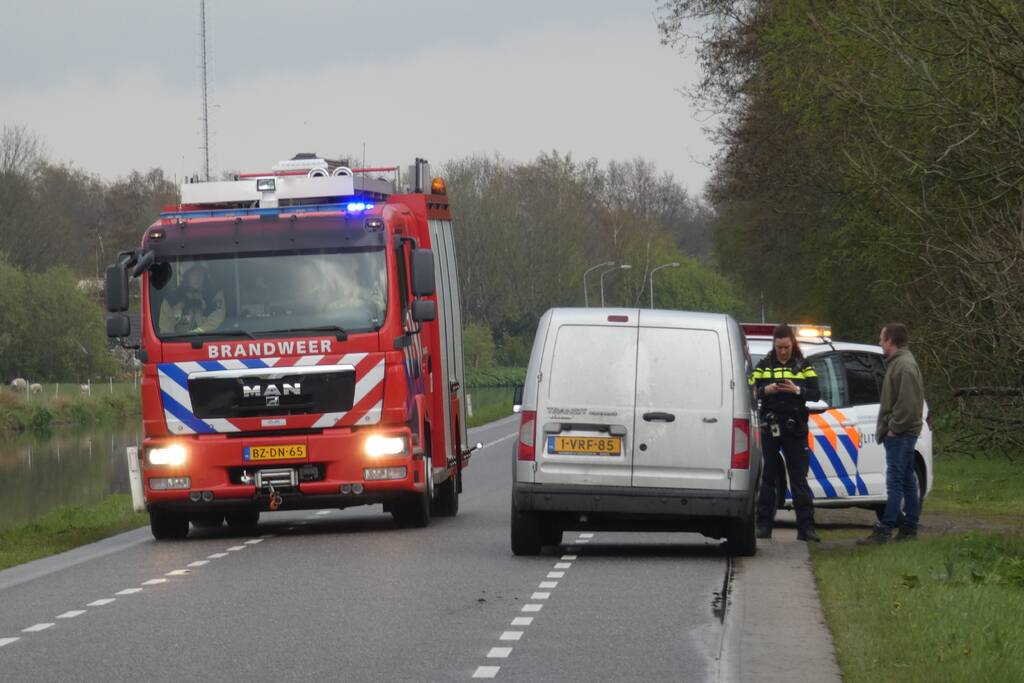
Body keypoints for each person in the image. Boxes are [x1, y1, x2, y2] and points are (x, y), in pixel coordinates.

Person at [750, 324, 821, 542]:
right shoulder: (763, 366)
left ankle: (806, 529)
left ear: (793, 344)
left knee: (799, 479)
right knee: (768, 478)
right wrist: (765, 390)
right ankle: (763, 527)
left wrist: (797, 390)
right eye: (779, 347)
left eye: (786, 347)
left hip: (795, 429)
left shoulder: (803, 366)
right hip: (770, 427)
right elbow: (749, 389)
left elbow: (817, 394)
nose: (783, 351)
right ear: (774, 345)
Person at [858, 323, 925, 544]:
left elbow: (908, 404)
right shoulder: (898, 364)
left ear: (891, 340)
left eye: (881, 339)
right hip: (902, 433)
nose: (879, 343)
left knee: (895, 482)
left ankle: (885, 528)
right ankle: (909, 528)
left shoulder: (904, 367)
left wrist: (894, 429)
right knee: (906, 480)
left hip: (902, 434)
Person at [158, 264, 225, 335]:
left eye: (201, 274)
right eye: (193, 274)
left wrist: (195, 333)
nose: (197, 278)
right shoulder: (172, 300)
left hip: (209, 341)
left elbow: (217, 318)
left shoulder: (214, 295)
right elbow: (166, 330)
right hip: (179, 343)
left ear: (205, 276)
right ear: (186, 276)